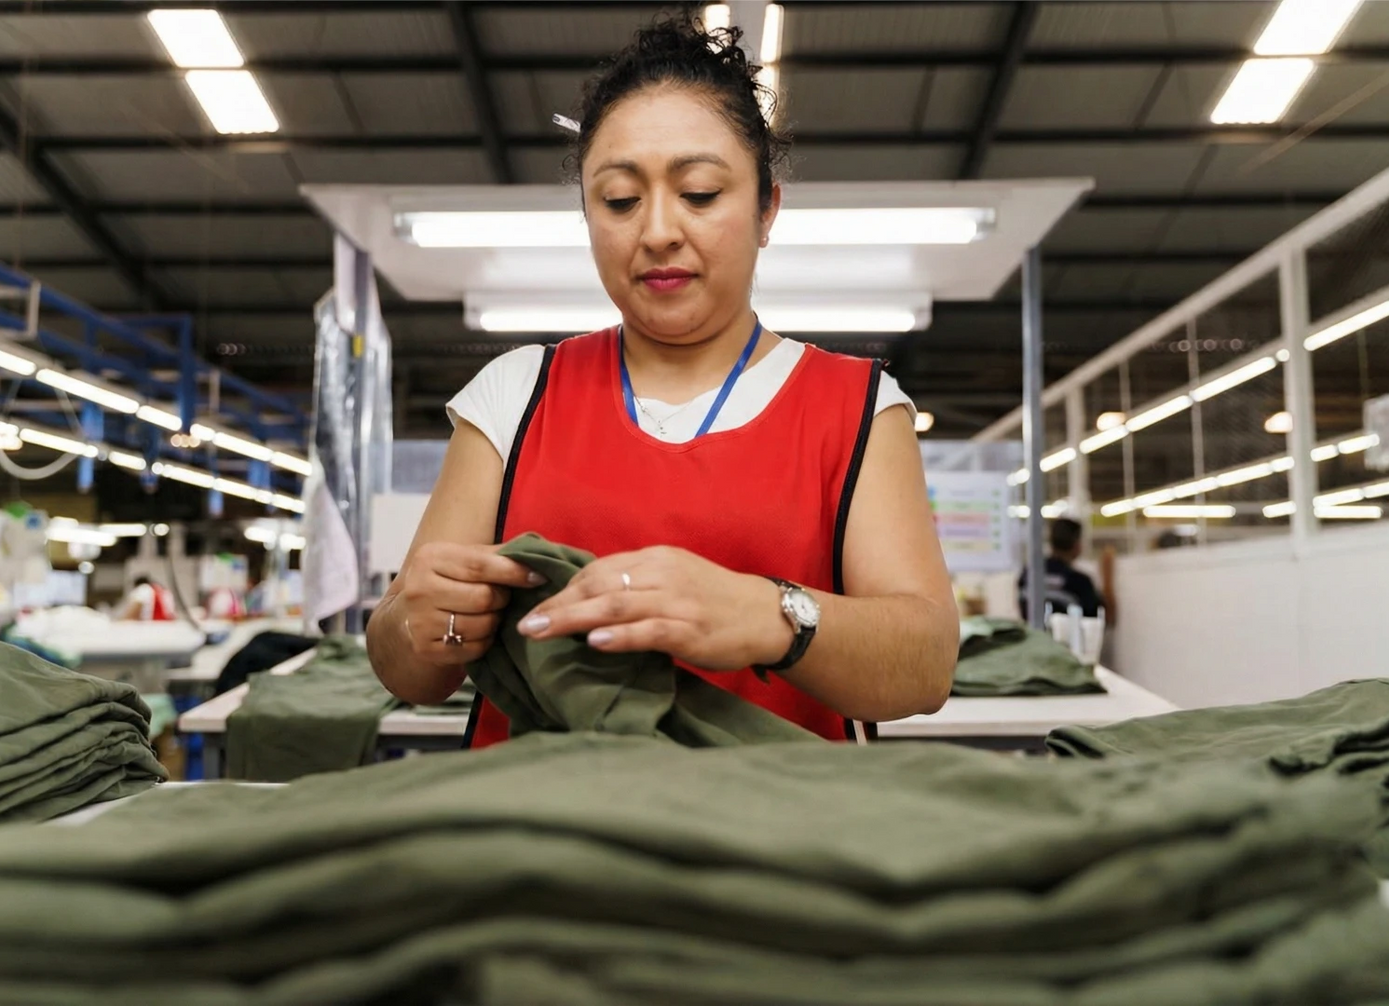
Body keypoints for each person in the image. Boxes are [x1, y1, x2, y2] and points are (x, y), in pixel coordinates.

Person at [368, 17, 958, 746]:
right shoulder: (515, 397)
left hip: (784, 836)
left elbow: (926, 664)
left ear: (767, 210)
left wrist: (766, 616)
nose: (657, 231)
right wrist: (418, 621)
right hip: (542, 835)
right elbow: (408, 670)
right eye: (619, 200)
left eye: (701, 193)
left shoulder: (859, 408)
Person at [1019, 518, 1115, 625]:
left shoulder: (1029, 573)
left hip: (1036, 638)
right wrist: (1107, 576)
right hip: (1068, 640)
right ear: (1077, 544)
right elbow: (1104, 619)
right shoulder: (1079, 582)